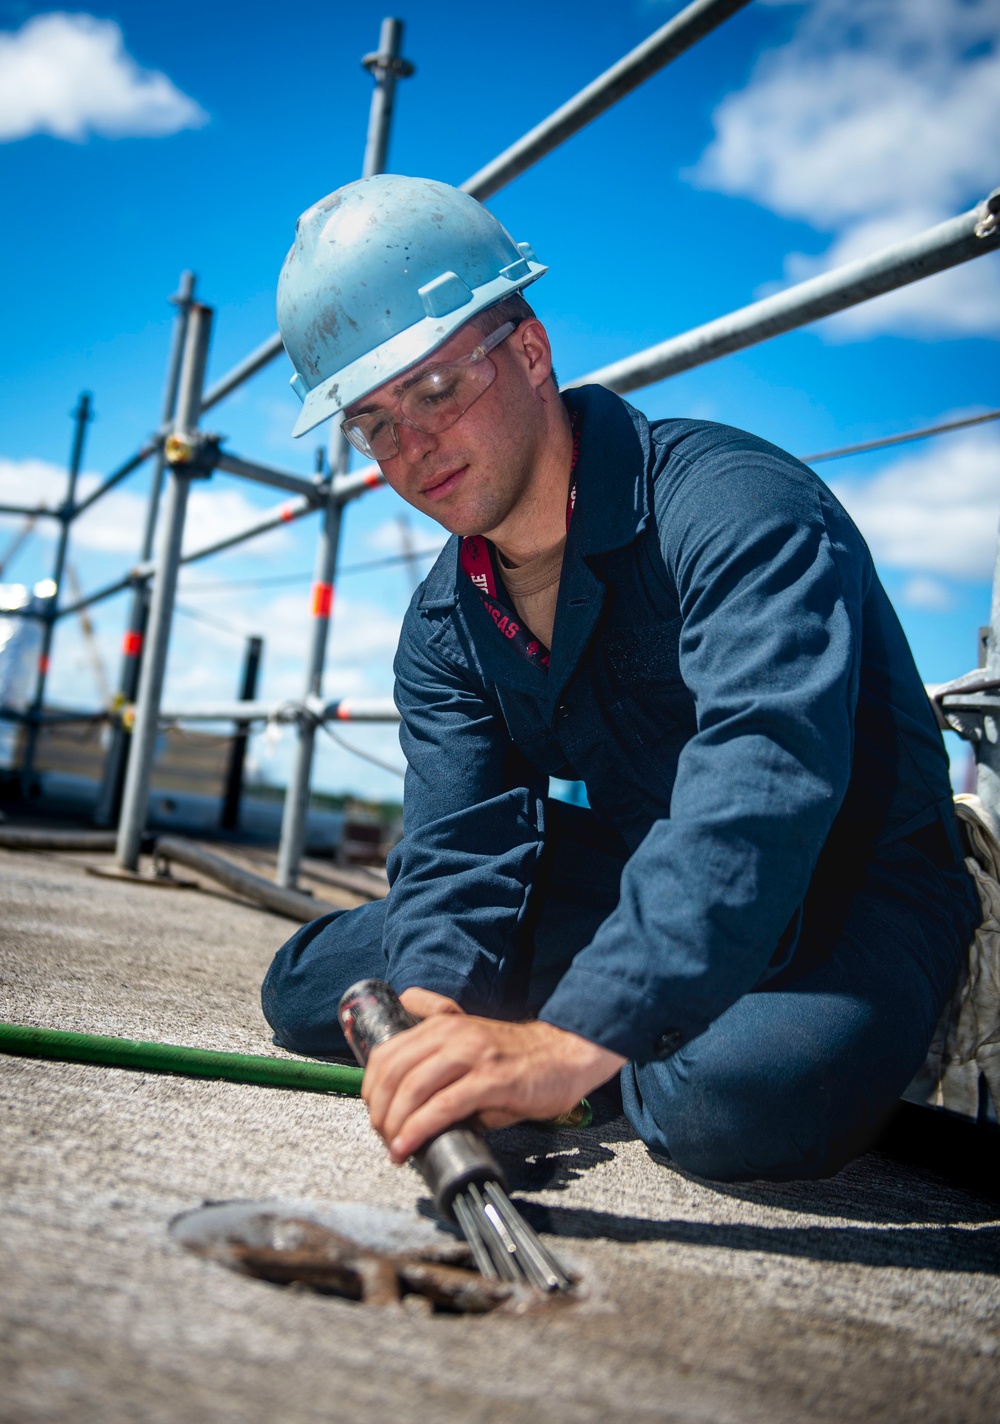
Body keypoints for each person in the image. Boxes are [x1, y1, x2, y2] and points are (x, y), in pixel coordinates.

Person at [262, 174, 980, 1182]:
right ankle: (632, 1002)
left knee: (725, 1103)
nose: (411, 446)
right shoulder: (443, 621)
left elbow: (762, 781)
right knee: (317, 990)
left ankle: (632, 1024)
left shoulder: (737, 509)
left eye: (433, 390)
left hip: (842, 885)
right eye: (374, 424)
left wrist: (564, 1045)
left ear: (529, 351)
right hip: (638, 868)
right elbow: (460, 841)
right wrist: (435, 1013)